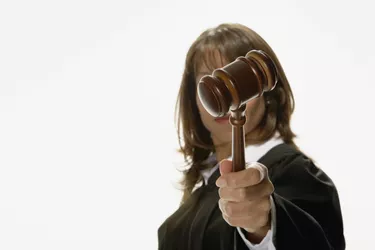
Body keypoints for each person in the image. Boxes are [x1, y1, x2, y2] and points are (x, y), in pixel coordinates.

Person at [157, 23, 345, 250]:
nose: (225, 93)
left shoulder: (296, 174)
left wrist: (265, 225)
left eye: (236, 74)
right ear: (194, 100)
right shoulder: (183, 215)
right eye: (208, 79)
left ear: (267, 94)